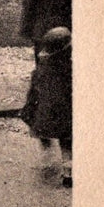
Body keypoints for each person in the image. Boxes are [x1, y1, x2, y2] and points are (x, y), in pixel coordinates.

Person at [21, 26, 73, 188]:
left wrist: (29, 111)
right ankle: (68, 172)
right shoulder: (71, 70)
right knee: (67, 143)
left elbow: (33, 95)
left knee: (44, 132)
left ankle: (47, 153)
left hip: (45, 115)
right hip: (65, 115)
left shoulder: (41, 71)